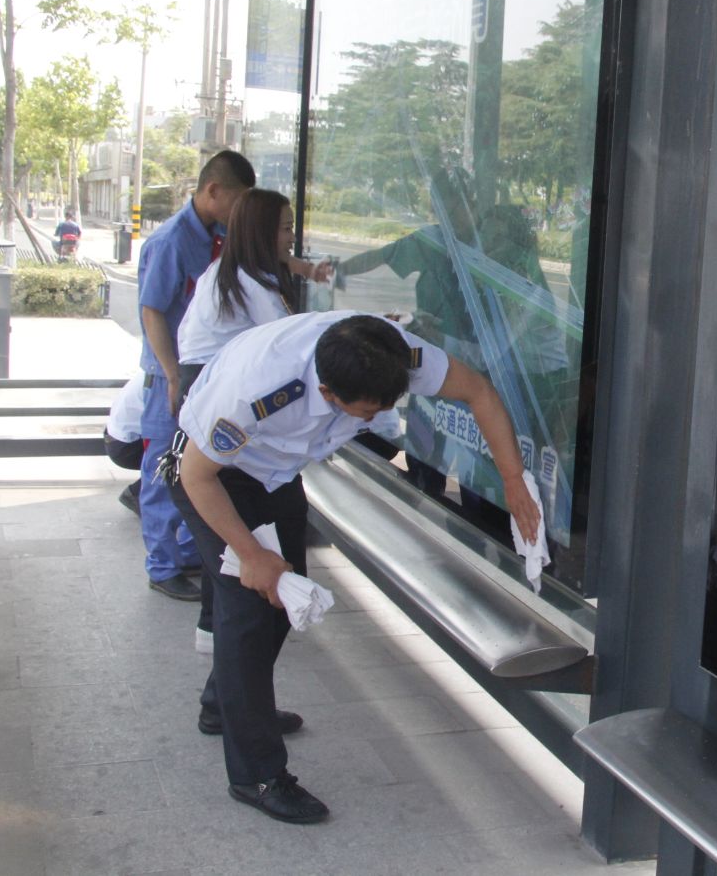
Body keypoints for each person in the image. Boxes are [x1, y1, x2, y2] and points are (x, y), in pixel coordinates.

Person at [170, 312, 542, 824]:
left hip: (277, 474)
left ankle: (228, 704)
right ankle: (257, 774)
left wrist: (514, 480)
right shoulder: (256, 391)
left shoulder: (391, 353)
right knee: (250, 614)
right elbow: (197, 476)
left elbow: (477, 391)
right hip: (216, 477)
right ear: (326, 392)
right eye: (367, 411)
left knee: (283, 605)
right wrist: (251, 556)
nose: (374, 419)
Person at [176, 187, 299, 651]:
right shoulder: (255, 285)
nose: (291, 238)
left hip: (204, 391)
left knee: (223, 540)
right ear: (263, 233)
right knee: (235, 530)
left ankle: (213, 631)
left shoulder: (229, 273)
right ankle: (226, 648)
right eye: (285, 228)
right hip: (221, 405)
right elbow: (292, 347)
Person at [137, 150, 256, 600]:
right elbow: (152, 311)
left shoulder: (219, 235)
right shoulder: (171, 241)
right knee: (164, 468)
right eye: (238, 201)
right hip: (169, 376)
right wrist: (171, 375)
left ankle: (188, 552)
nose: (240, 212)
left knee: (197, 464)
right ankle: (162, 565)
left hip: (202, 377)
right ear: (213, 191)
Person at [103, 375, 146, 517]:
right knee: (181, 452)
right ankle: (138, 492)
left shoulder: (158, 370)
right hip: (126, 446)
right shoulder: (167, 376)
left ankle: (142, 491)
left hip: (119, 439)